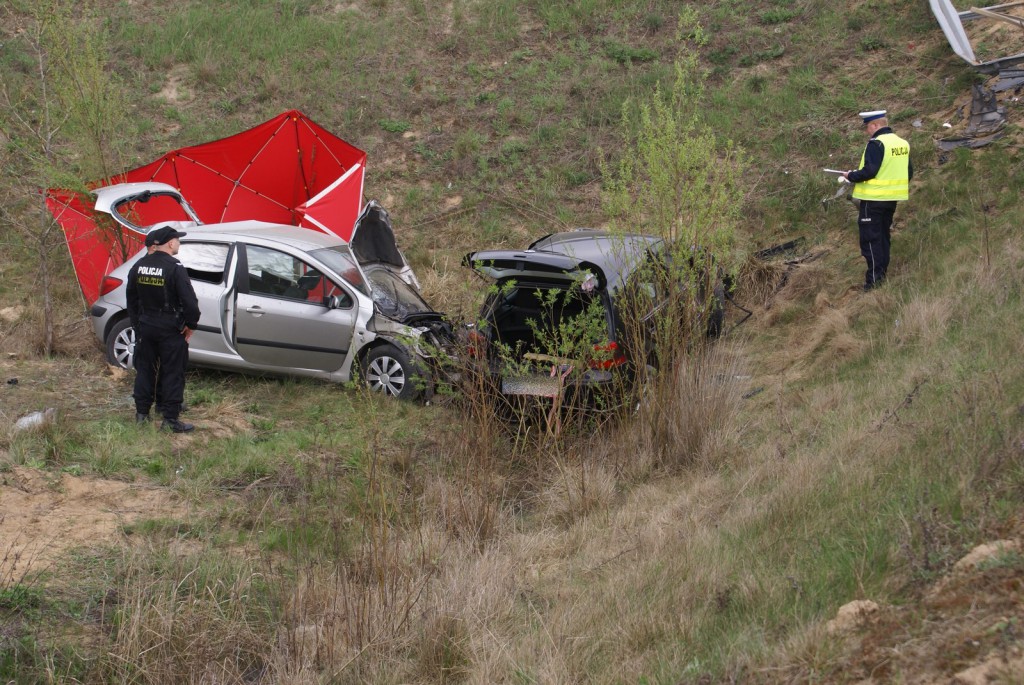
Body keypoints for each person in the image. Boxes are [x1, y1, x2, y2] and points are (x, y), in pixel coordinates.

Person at [126, 225, 201, 433]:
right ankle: (170, 419)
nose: (179, 243)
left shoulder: (139, 266)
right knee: (172, 372)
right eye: (178, 240)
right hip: (170, 328)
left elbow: (131, 298)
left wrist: (137, 324)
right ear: (170, 243)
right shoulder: (175, 267)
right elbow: (190, 302)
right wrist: (191, 325)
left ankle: (142, 414)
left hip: (146, 326)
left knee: (145, 370)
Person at [842, 110, 912, 291]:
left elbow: (870, 171)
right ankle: (881, 275)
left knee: (870, 240)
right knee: (882, 237)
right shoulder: (902, 143)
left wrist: (851, 175)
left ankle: (874, 282)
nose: (867, 131)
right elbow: (908, 172)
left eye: (867, 127)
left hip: (873, 200)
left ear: (875, 125)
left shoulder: (876, 143)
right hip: (892, 200)